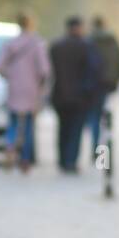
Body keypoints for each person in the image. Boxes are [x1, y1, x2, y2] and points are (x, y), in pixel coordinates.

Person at [0, 11, 50, 172]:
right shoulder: (37, 43)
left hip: (15, 87)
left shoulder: (10, 44)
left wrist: (10, 76)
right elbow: (44, 70)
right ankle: (25, 159)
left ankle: (10, 147)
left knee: (12, 123)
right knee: (28, 126)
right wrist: (42, 88)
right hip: (31, 89)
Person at [48, 16, 101, 173]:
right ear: (79, 27)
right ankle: (71, 161)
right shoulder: (86, 47)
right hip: (79, 96)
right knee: (75, 130)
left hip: (59, 95)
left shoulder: (56, 47)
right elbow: (94, 70)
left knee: (62, 129)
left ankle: (62, 160)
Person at [85, 16, 119, 161]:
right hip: (107, 84)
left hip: (91, 85)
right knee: (103, 115)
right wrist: (116, 80)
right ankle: (102, 147)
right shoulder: (112, 41)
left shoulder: (88, 40)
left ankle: (96, 147)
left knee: (94, 116)